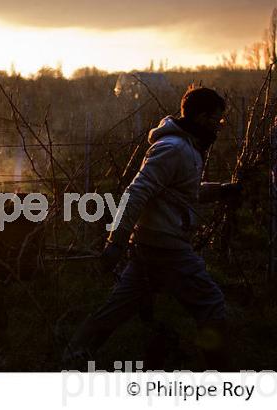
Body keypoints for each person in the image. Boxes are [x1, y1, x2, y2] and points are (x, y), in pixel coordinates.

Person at [63, 86, 241, 371]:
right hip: (167, 248)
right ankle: (223, 379)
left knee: (118, 307)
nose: (218, 128)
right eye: (214, 121)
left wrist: (221, 190)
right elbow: (136, 193)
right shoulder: (174, 149)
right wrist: (115, 243)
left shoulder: (186, 148)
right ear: (199, 117)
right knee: (211, 304)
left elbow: (183, 192)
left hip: (151, 245)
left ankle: (72, 357)